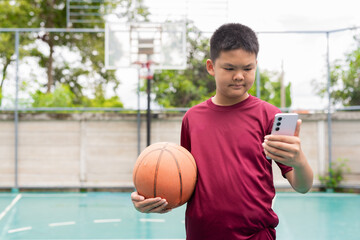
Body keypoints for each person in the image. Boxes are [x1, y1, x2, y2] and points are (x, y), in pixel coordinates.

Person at [131, 23, 313, 240]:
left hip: (257, 235)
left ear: (256, 65)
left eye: (247, 68)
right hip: (202, 234)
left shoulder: (269, 116)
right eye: (229, 68)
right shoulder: (192, 119)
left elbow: (302, 186)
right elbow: (184, 181)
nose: (239, 76)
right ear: (211, 67)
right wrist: (151, 196)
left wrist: (299, 161)